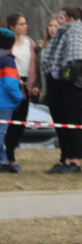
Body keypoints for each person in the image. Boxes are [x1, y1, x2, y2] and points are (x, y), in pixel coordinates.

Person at [40, 6, 82, 174]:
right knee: (62, 123)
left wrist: (65, 75)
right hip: (59, 85)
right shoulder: (64, 32)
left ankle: (75, 161)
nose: (59, 21)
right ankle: (65, 158)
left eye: (62, 18)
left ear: (71, 18)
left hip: (73, 85)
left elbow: (77, 60)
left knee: (73, 122)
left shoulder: (77, 32)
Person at [3, 13, 38, 172]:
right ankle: (7, 156)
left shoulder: (29, 43)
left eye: (26, 23)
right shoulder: (6, 45)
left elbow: (35, 65)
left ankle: (10, 153)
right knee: (6, 125)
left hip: (24, 85)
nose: (25, 26)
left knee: (19, 124)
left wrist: (33, 85)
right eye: (21, 24)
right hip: (10, 82)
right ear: (12, 27)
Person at [0, 28, 23, 173]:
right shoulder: (8, 60)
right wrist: (19, 98)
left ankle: (3, 160)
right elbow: (10, 83)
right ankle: (2, 162)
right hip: (5, 104)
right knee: (1, 134)